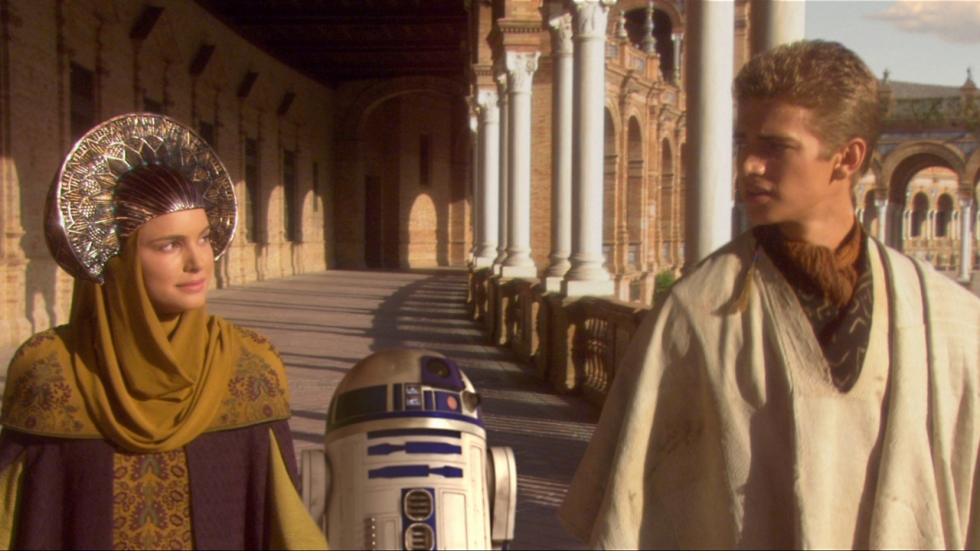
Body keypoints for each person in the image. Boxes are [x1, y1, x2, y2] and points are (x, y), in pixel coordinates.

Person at [559, 40, 980, 549]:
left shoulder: (947, 321)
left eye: (775, 146)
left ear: (847, 157)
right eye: (742, 144)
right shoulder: (698, 313)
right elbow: (639, 508)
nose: (748, 166)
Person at [0, 114, 328, 549]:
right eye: (170, 245)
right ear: (118, 259)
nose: (199, 261)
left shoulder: (249, 367)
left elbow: (284, 522)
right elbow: (16, 519)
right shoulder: (50, 372)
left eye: (205, 238)